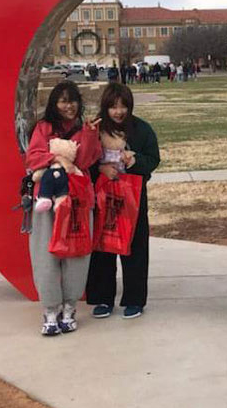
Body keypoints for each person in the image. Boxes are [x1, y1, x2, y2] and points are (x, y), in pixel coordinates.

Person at [24, 81, 101, 335]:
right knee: (45, 256)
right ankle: (50, 309)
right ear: (54, 104)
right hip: (46, 204)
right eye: (63, 101)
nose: (69, 106)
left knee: (78, 255)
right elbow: (33, 157)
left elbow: (89, 160)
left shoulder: (84, 129)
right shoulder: (43, 128)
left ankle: (69, 307)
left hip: (78, 201)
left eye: (73, 100)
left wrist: (90, 135)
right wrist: (57, 158)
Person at [86, 82, 160, 319]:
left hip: (132, 198)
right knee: (102, 247)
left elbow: (153, 160)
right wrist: (101, 169)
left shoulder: (141, 129)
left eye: (123, 106)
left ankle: (134, 299)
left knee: (135, 248)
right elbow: (83, 160)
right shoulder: (94, 129)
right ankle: (103, 298)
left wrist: (134, 162)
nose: (118, 112)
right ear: (105, 107)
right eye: (113, 107)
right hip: (102, 197)